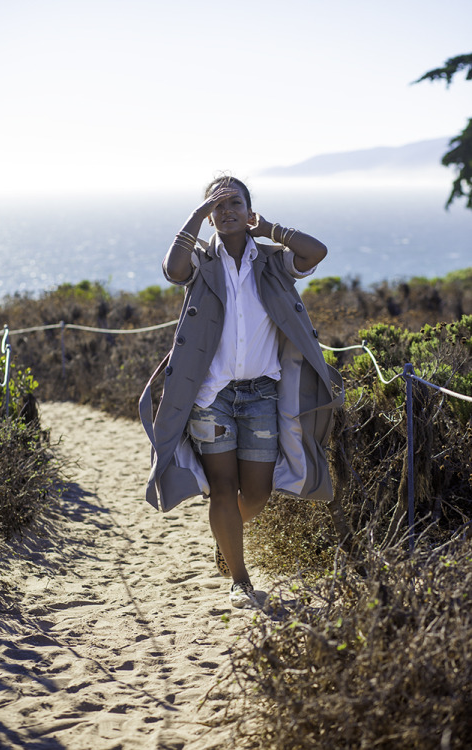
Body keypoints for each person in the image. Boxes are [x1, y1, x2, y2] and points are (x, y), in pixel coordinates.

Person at [139, 175, 343, 609]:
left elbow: (315, 252)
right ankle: (240, 579)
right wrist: (194, 217)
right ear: (209, 216)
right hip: (210, 398)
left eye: (234, 202)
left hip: (261, 395)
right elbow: (172, 270)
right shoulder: (200, 262)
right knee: (223, 486)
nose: (226, 209)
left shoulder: (271, 261)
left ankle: (225, 536)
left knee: (257, 493)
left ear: (247, 210)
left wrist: (269, 229)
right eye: (216, 205)